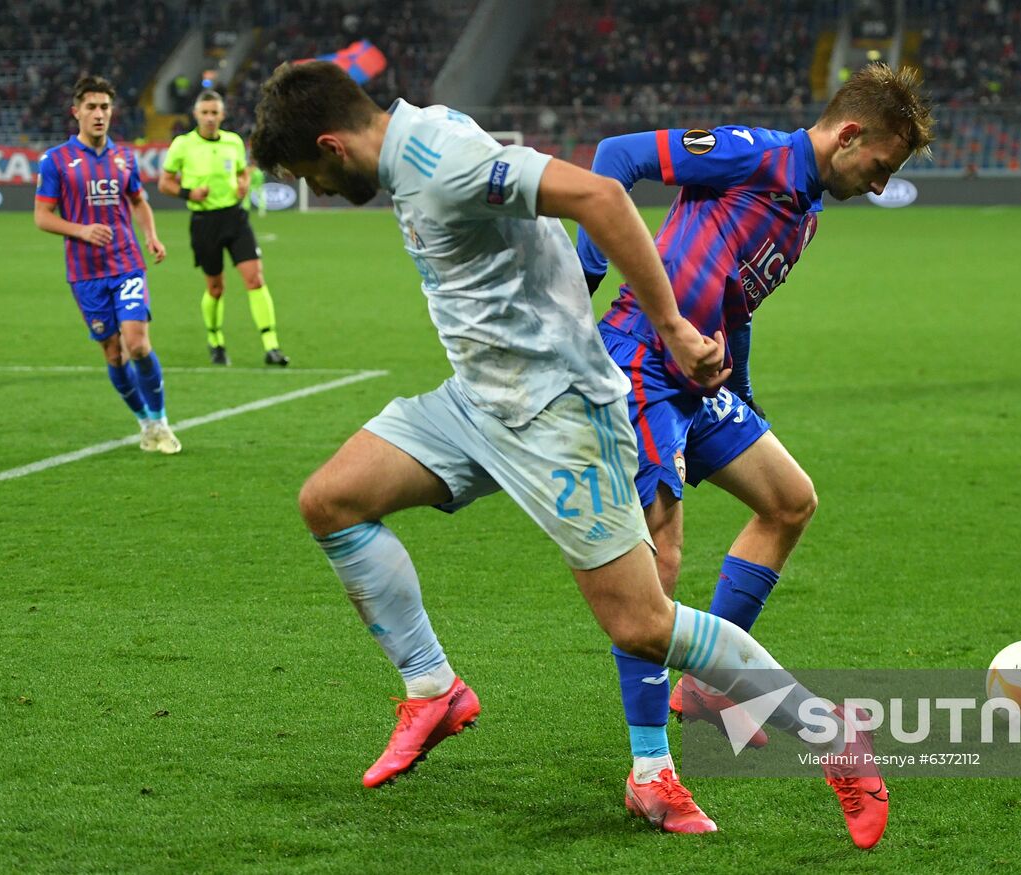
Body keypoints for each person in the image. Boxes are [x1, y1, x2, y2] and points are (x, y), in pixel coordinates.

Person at [249, 60, 889, 850]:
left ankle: (833, 738)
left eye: (306, 172)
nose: (311, 186)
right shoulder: (425, 127)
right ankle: (433, 688)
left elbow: (602, 192)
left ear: (330, 146)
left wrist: (672, 326)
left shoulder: (437, 159)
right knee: (331, 500)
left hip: (555, 414)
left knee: (645, 622)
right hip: (477, 401)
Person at [576, 64, 933, 828]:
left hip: (701, 379)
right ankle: (651, 771)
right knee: (658, 564)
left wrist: (743, 384)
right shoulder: (753, 154)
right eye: (882, 166)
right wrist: (586, 267)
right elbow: (616, 157)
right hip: (639, 359)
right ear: (849, 135)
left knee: (789, 500)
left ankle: (707, 683)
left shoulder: (803, 214)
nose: (879, 184)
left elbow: (737, 299)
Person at [33, 75, 180, 454]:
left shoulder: (123, 156)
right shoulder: (57, 161)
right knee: (114, 354)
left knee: (138, 345)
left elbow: (139, 200)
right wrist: (81, 230)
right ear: (76, 112)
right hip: (85, 274)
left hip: (127, 264)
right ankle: (144, 423)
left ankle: (162, 421)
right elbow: (43, 217)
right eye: (92, 107)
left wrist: (151, 236)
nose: (99, 114)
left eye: (105, 107)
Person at [160, 90, 289, 367]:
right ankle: (215, 340)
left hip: (235, 218)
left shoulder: (233, 142)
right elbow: (165, 183)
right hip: (204, 222)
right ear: (196, 115)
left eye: (214, 113)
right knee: (216, 288)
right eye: (204, 113)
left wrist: (243, 182)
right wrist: (188, 193)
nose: (209, 118)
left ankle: (271, 346)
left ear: (222, 114)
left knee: (255, 279)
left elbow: (243, 171)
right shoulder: (183, 145)